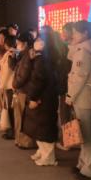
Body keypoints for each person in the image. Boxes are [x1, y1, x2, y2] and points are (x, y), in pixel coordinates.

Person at [66, 20, 91, 180]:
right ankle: (82, 164)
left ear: (85, 33)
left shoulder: (84, 51)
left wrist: (70, 96)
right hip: (82, 95)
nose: (73, 35)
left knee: (86, 134)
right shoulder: (84, 48)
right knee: (82, 131)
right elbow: (70, 57)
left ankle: (90, 169)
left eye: (76, 32)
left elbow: (80, 77)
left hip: (82, 96)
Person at [23, 28, 62, 167]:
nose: (37, 41)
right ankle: (42, 151)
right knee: (39, 127)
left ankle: (48, 157)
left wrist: (33, 98)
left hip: (43, 98)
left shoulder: (44, 59)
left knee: (44, 127)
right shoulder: (46, 56)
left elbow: (38, 80)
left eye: (40, 39)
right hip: (46, 96)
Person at [12, 31, 37, 150]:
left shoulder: (27, 56)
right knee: (20, 116)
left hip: (23, 90)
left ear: (25, 43)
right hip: (22, 89)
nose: (17, 45)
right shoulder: (24, 55)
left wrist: (15, 84)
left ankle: (24, 141)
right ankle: (19, 139)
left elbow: (23, 75)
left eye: (18, 43)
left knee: (23, 117)